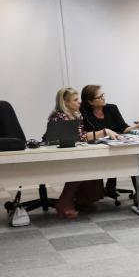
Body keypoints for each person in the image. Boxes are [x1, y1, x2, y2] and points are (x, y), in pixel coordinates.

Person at [46, 87, 105, 218]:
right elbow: (78, 137)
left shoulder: (76, 114)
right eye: (75, 100)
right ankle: (64, 201)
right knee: (80, 166)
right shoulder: (59, 116)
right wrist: (102, 133)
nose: (79, 102)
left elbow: (79, 136)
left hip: (71, 152)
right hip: (58, 154)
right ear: (65, 102)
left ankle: (81, 199)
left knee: (88, 161)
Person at [80, 85, 139, 199]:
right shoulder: (83, 113)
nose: (103, 98)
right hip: (97, 150)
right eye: (99, 97)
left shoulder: (112, 108)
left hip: (117, 146)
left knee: (133, 158)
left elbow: (123, 128)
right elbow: (84, 134)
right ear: (90, 102)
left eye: (103, 95)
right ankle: (107, 187)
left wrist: (135, 127)